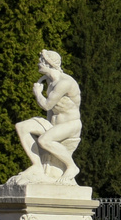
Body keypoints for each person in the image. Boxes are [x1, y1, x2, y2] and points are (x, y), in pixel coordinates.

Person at [14, 50, 82, 185]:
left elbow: (46, 105)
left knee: (44, 140)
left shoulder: (64, 83)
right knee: (21, 127)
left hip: (71, 125)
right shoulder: (51, 83)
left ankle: (72, 166)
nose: (39, 63)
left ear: (48, 63)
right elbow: (51, 111)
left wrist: (37, 93)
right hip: (55, 125)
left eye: (41, 60)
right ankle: (37, 166)